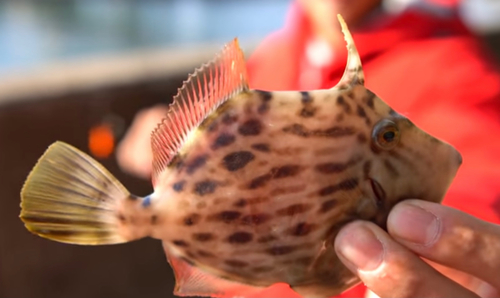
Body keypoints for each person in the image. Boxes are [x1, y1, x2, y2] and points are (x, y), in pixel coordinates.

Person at [116, 0, 500, 297]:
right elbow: (233, 136)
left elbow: (475, 185)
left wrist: (447, 262)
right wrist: (171, 136)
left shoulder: (449, 66)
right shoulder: (276, 55)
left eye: (386, 137)